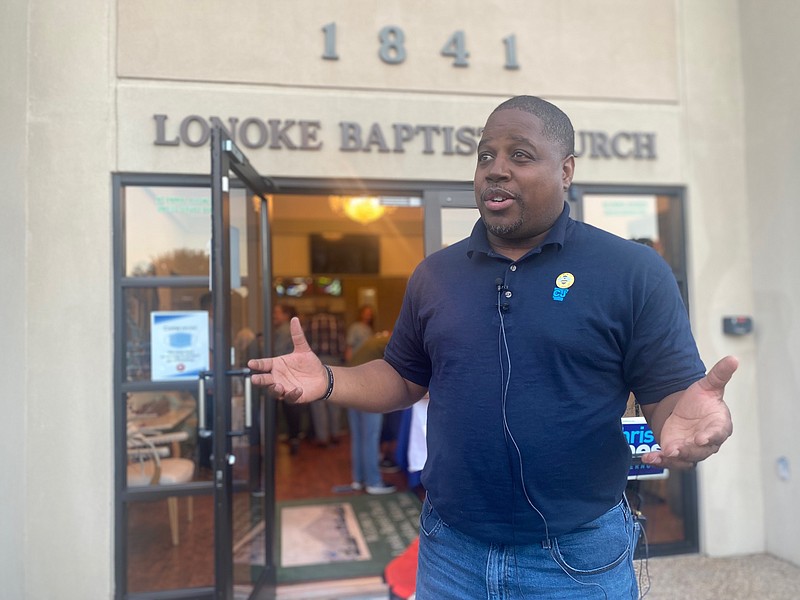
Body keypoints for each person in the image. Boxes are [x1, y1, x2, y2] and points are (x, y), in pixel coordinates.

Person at [248, 95, 738, 599]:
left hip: (576, 559)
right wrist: (329, 379)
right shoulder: (435, 276)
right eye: (486, 156)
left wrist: (686, 419)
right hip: (450, 553)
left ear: (566, 170)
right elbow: (402, 376)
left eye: (519, 155)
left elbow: (666, 398)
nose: (495, 170)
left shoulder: (631, 272)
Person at [346, 330, 397, 495]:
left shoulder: (375, 340)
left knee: (359, 436)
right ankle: (373, 482)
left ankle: (358, 479)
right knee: (370, 436)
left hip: (349, 385)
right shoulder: (394, 341)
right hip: (367, 388)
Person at [305, 304, 347, 446]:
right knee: (334, 399)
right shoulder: (337, 322)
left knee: (318, 402)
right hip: (335, 362)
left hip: (316, 361)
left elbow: (306, 345)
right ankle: (335, 434)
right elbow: (342, 344)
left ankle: (322, 437)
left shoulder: (310, 322)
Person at [273, 303, 306, 455]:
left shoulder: (283, 330)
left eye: (277, 312)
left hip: (286, 374)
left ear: (286, 315)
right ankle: (294, 438)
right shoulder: (291, 329)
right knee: (293, 408)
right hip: (294, 373)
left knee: (290, 409)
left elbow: (278, 353)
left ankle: (293, 439)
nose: (274, 315)